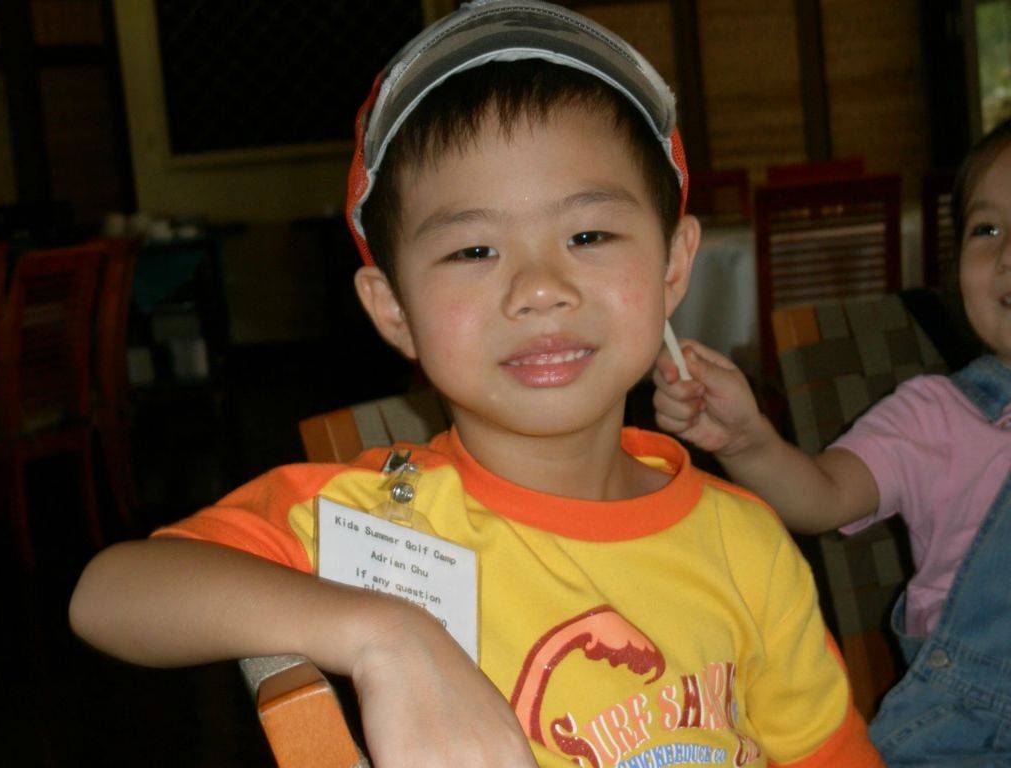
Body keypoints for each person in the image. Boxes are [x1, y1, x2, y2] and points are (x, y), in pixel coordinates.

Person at [70, 2, 881, 766]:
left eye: (589, 234)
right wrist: (386, 633)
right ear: (393, 310)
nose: (540, 288)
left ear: (672, 265)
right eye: (473, 251)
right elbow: (110, 595)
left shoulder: (746, 543)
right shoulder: (385, 524)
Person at [652, 118, 1011, 766]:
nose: (1008, 253)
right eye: (986, 229)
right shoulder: (938, 416)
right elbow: (820, 495)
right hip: (962, 739)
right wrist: (746, 439)